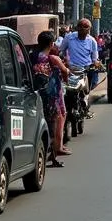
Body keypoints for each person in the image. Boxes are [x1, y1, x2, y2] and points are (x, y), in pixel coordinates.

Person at [33, 30, 70, 164]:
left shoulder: (33, 56)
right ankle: (55, 151)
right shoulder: (53, 58)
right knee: (57, 120)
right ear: (51, 43)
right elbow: (65, 71)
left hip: (36, 95)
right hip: (53, 95)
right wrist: (66, 77)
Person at [62, 19, 99, 116]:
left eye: (85, 29)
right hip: (72, 70)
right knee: (67, 91)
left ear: (89, 30)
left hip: (86, 70)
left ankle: (85, 105)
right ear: (77, 29)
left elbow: (94, 58)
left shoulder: (92, 41)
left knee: (87, 91)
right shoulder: (69, 38)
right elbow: (61, 51)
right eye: (80, 29)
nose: (82, 32)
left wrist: (96, 64)